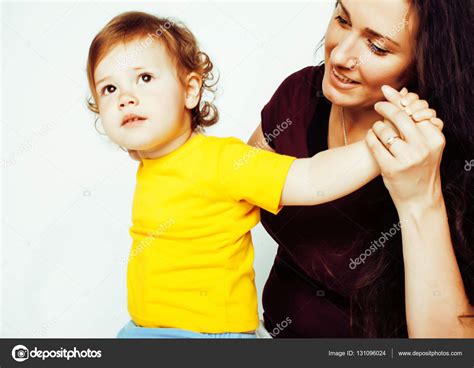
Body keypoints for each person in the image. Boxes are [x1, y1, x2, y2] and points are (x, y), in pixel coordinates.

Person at [86, 11, 434, 338]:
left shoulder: (223, 162)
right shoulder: (154, 164)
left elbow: (310, 178)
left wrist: (381, 144)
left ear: (190, 90)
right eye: (109, 88)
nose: (126, 98)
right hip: (144, 330)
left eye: (144, 78)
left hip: (206, 337)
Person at [248, 0, 474, 337]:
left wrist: (418, 201)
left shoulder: (460, 161)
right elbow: (234, 187)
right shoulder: (299, 96)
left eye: (377, 46)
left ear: (426, 63)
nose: (338, 57)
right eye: (342, 19)